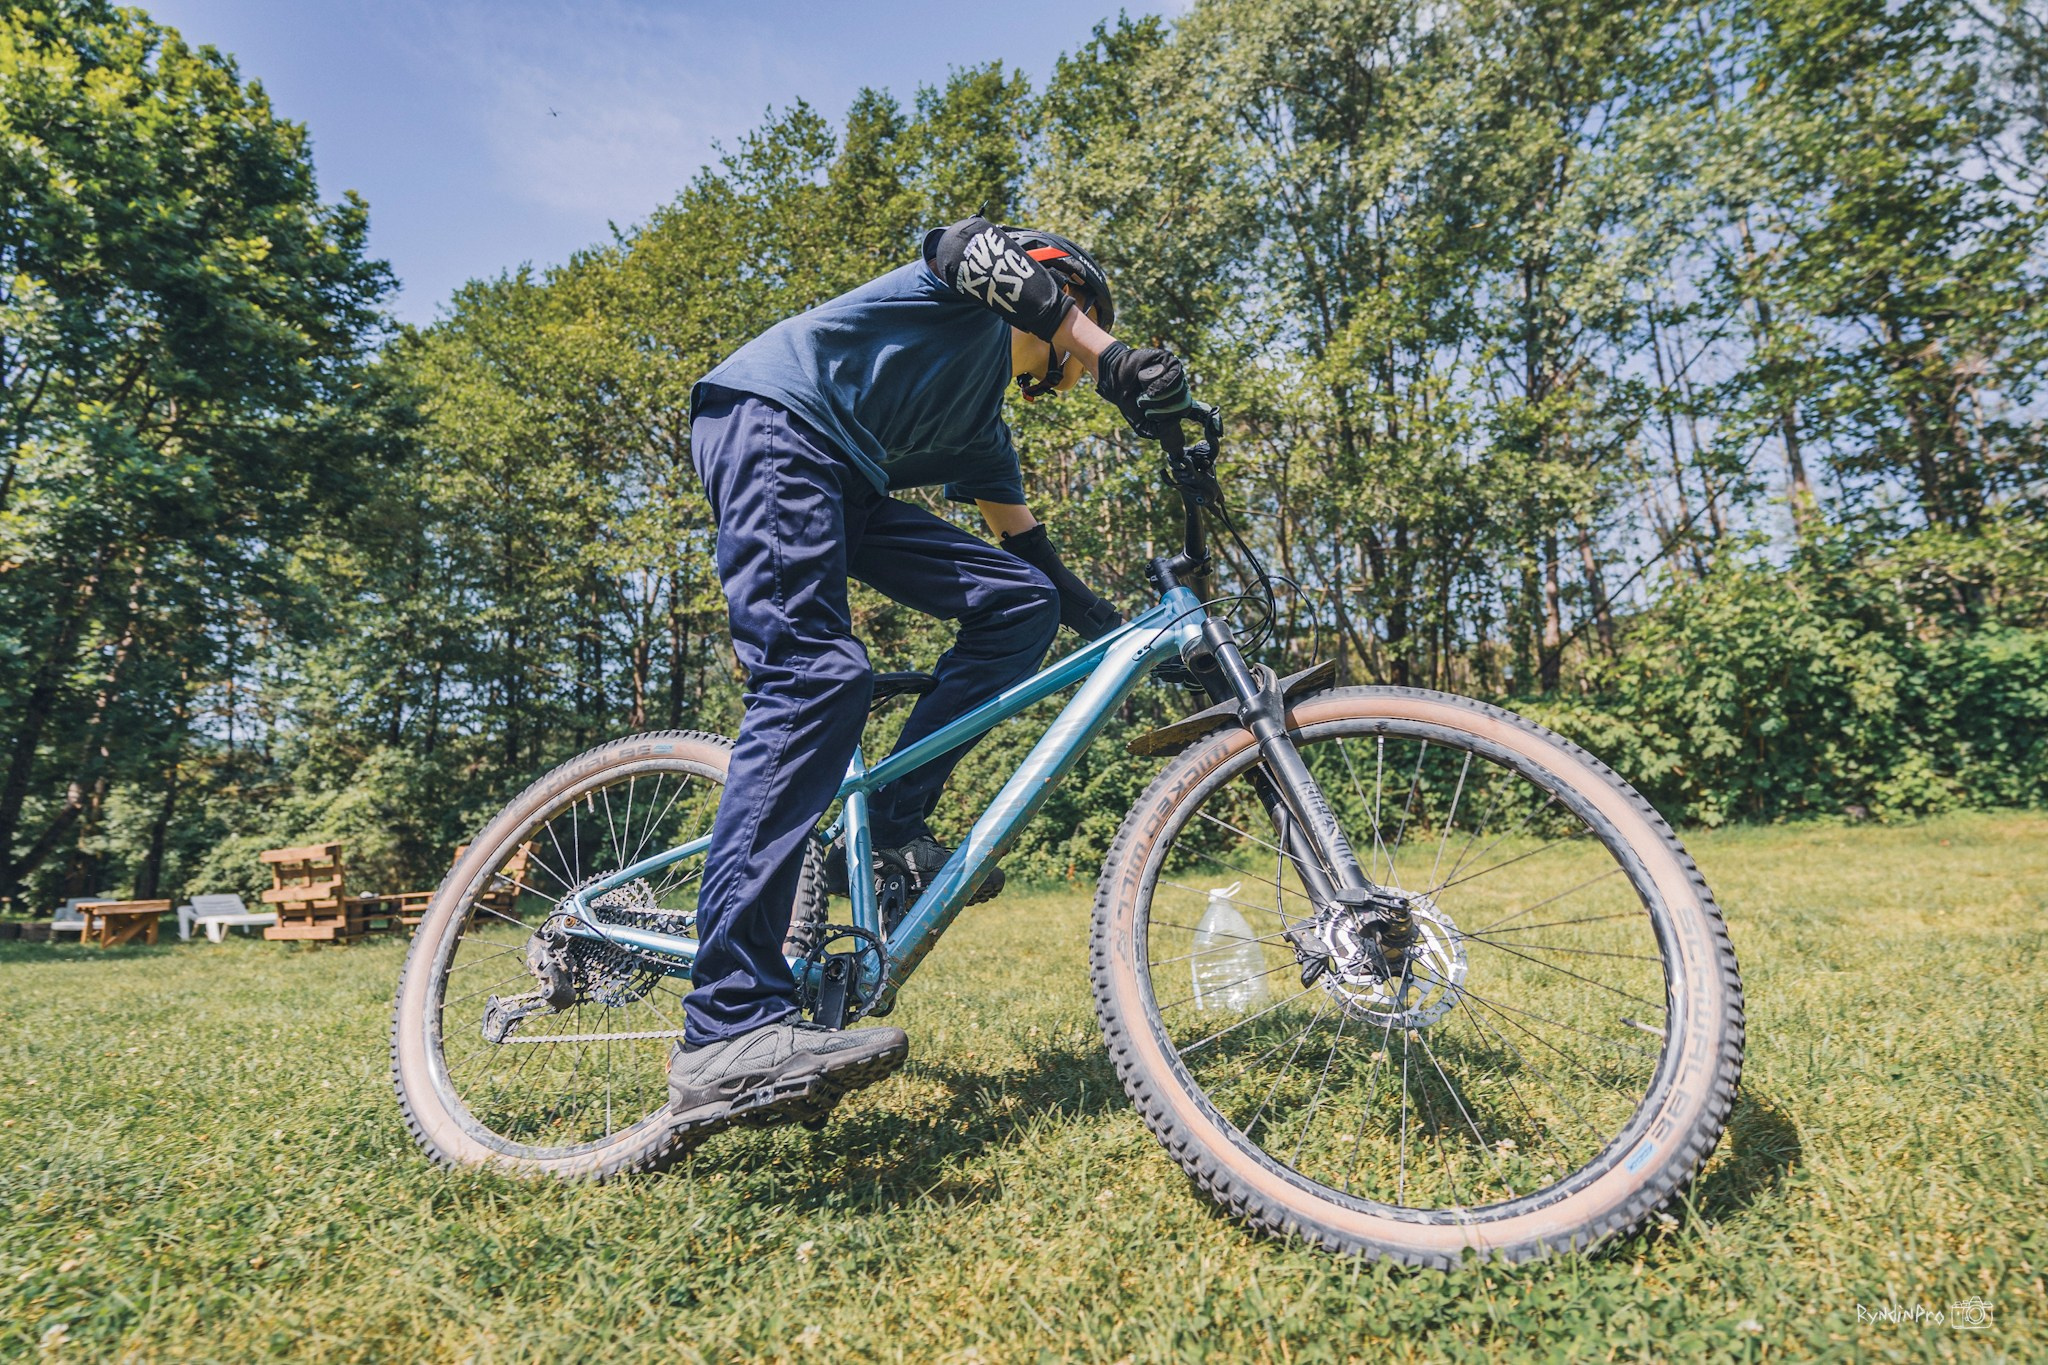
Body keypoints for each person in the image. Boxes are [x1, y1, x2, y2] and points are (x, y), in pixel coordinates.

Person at [668, 215, 1196, 1134]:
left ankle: (894, 827)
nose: (1072, 370)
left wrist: (1129, 634)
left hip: (847, 482)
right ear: (1061, 292)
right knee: (816, 677)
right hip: (771, 423)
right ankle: (725, 1025)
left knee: (1019, 604)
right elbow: (961, 242)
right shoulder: (973, 298)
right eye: (1074, 330)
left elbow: (1036, 569)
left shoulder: (982, 431)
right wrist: (1111, 355)